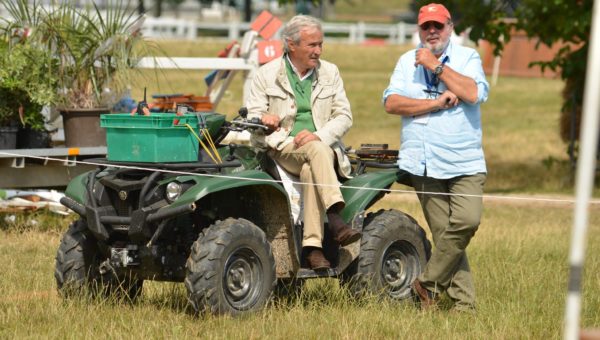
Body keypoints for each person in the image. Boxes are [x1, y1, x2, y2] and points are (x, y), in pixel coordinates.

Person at [382, 3, 489, 312]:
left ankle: (427, 283)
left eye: (437, 26)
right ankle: (464, 306)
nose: (432, 32)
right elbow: (391, 103)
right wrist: (434, 103)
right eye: (426, 26)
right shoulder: (406, 61)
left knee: (468, 221)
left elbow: (473, 93)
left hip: (464, 159)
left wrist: (436, 67)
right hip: (423, 161)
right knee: (444, 235)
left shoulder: (467, 57)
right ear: (419, 30)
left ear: (450, 27)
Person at [246, 15, 361, 270]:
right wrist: (263, 119)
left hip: (322, 148)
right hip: (283, 146)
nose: (318, 51)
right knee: (313, 157)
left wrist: (318, 136)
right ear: (291, 44)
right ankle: (334, 220)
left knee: (314, 159)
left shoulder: (330, 72)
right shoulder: (266, 74)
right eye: (312, 45)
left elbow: (344, 116)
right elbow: (252, 117)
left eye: (320, 44)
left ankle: (312, 247)